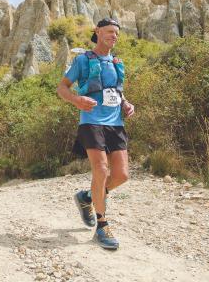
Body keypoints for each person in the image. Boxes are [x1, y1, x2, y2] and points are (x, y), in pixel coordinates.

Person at [56, 17, 135, 250]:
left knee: (121, 175)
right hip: (91, 121)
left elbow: (117, 93)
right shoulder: (83, 60)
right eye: (110, 31)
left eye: (117, 33)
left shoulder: (117, 62)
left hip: (116, 123)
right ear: (97, 32)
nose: (114, 36)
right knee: (101, 170)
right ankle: (102, 225)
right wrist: (76, 99)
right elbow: (62, 88)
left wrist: (127, 104)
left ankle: (87, 197)